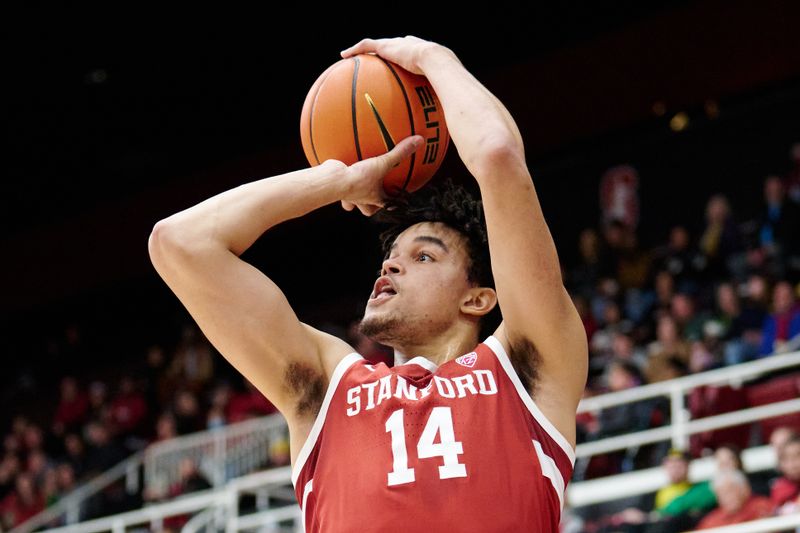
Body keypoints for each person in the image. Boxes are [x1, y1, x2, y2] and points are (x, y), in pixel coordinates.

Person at [148, 35, 588, 532]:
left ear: (479, 298)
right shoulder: (326, 388)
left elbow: (498, 154)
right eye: (390, 256)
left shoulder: (527, 367)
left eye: (423, 256)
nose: (390, 267)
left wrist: (431, 58)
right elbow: (179, 244)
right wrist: (337, 180)